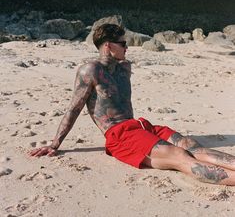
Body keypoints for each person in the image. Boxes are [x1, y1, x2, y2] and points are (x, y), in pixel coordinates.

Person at [30, 24, 235, 185]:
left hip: (140, 126)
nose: (127, 47)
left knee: (190, 144)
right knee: (180, 156)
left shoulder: (124, 68)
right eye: (122, 43)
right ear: (108, 46)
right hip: (119, 135)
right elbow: (74, 108)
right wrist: (55, 143)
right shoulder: (90, 70)